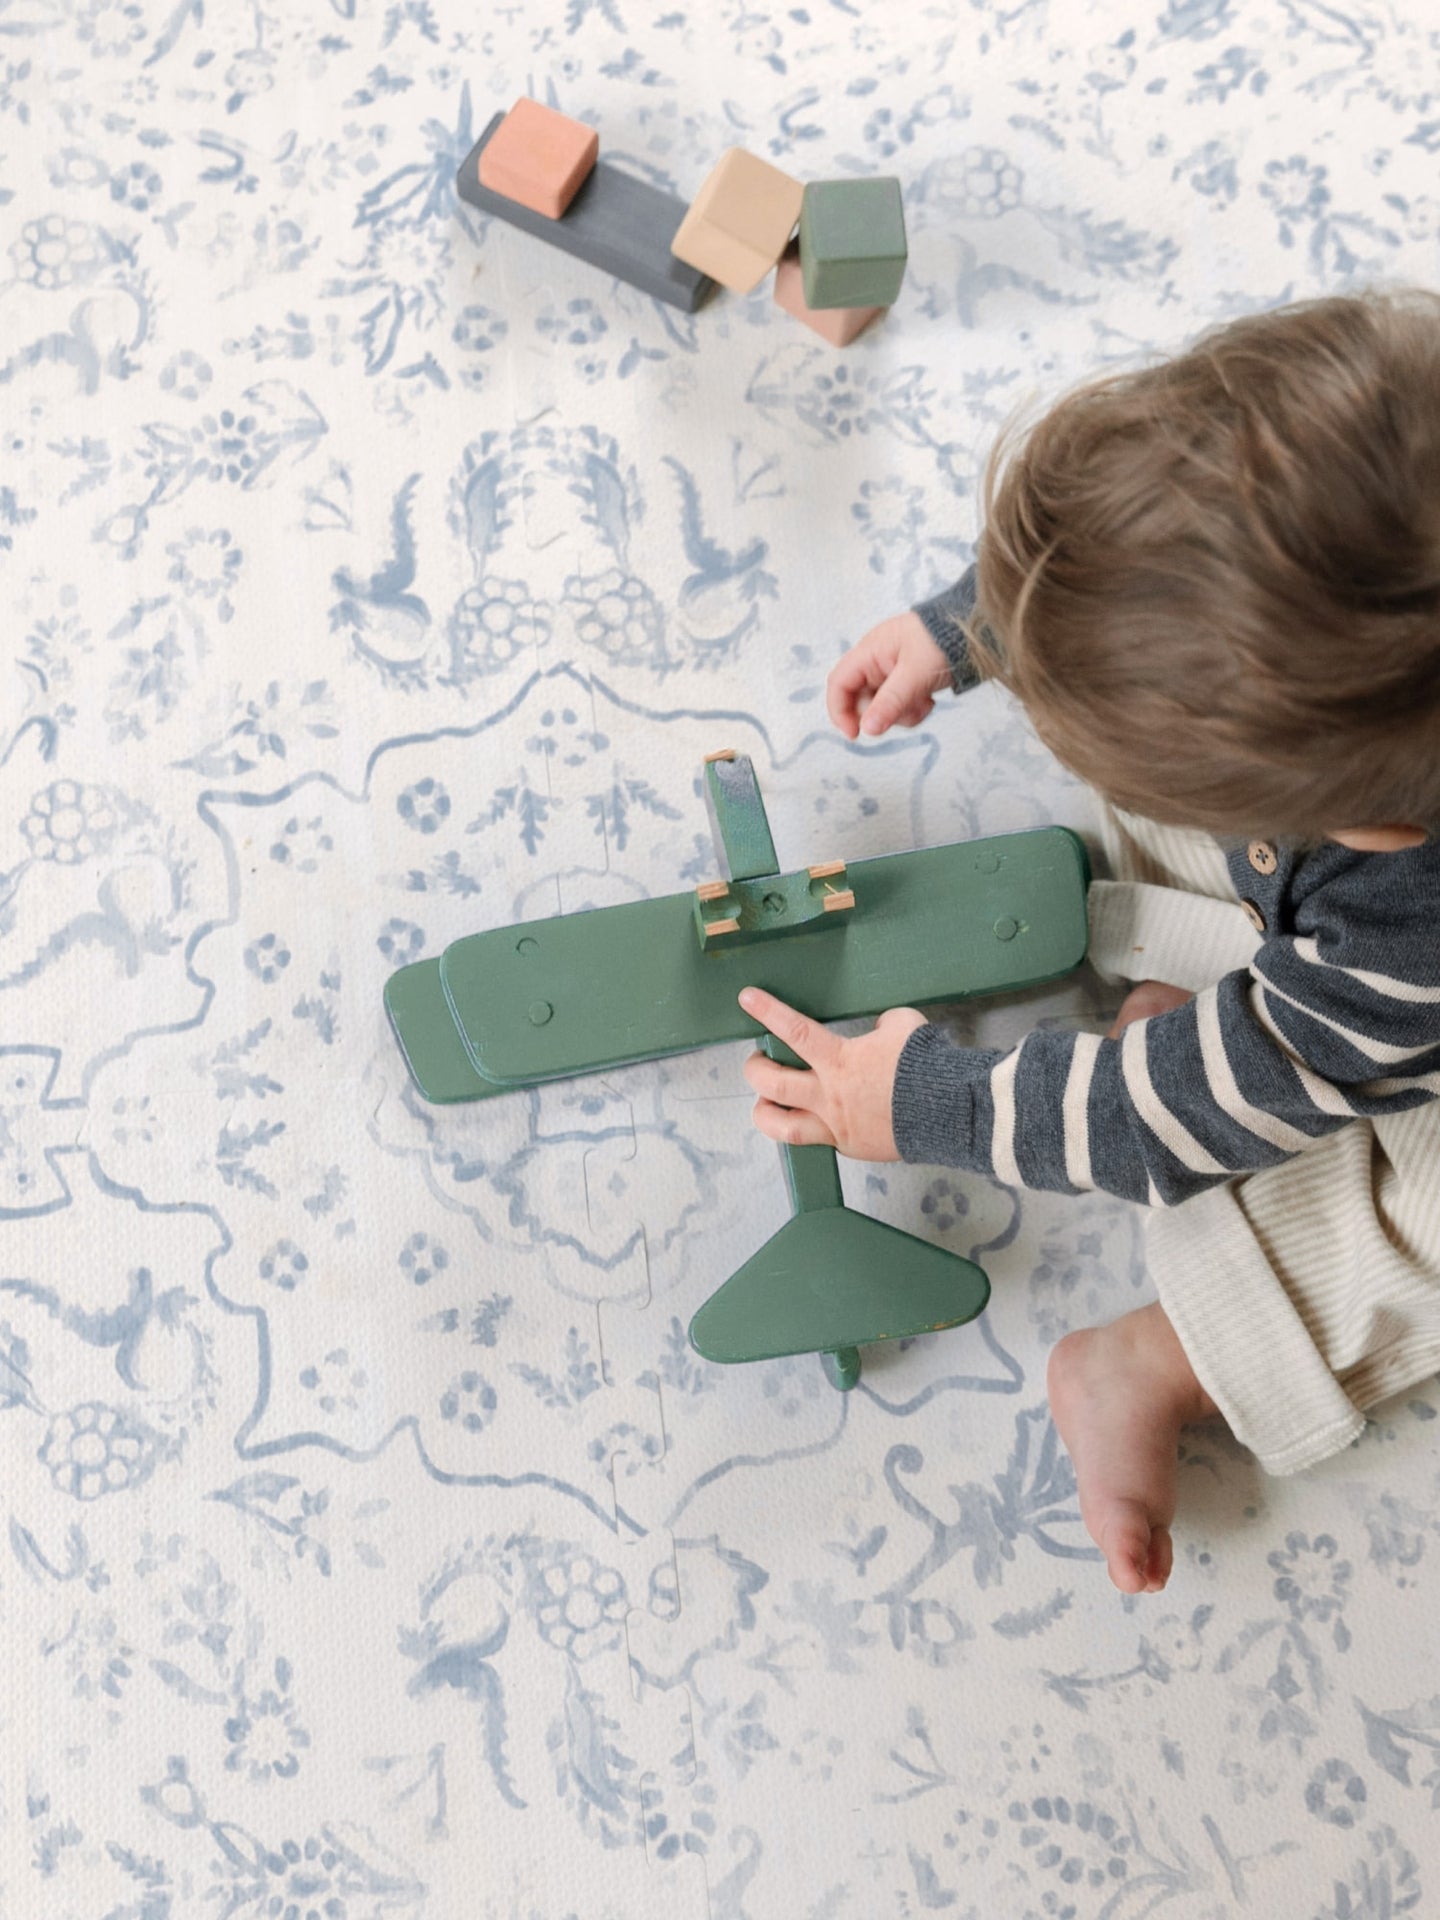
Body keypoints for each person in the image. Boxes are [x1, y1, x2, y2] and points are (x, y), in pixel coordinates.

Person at [737, 289, 1440, 1597]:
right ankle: (1193, 963)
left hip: (1392, 1012)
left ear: (1370, 820)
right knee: (1168, 731)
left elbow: (1158, 1124)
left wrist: (927, 1105)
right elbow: (1176, 544)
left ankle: (1157, 1360)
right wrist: (979, 623)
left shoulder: (1410, 938)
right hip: (1326, 857)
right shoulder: (1398, 466)